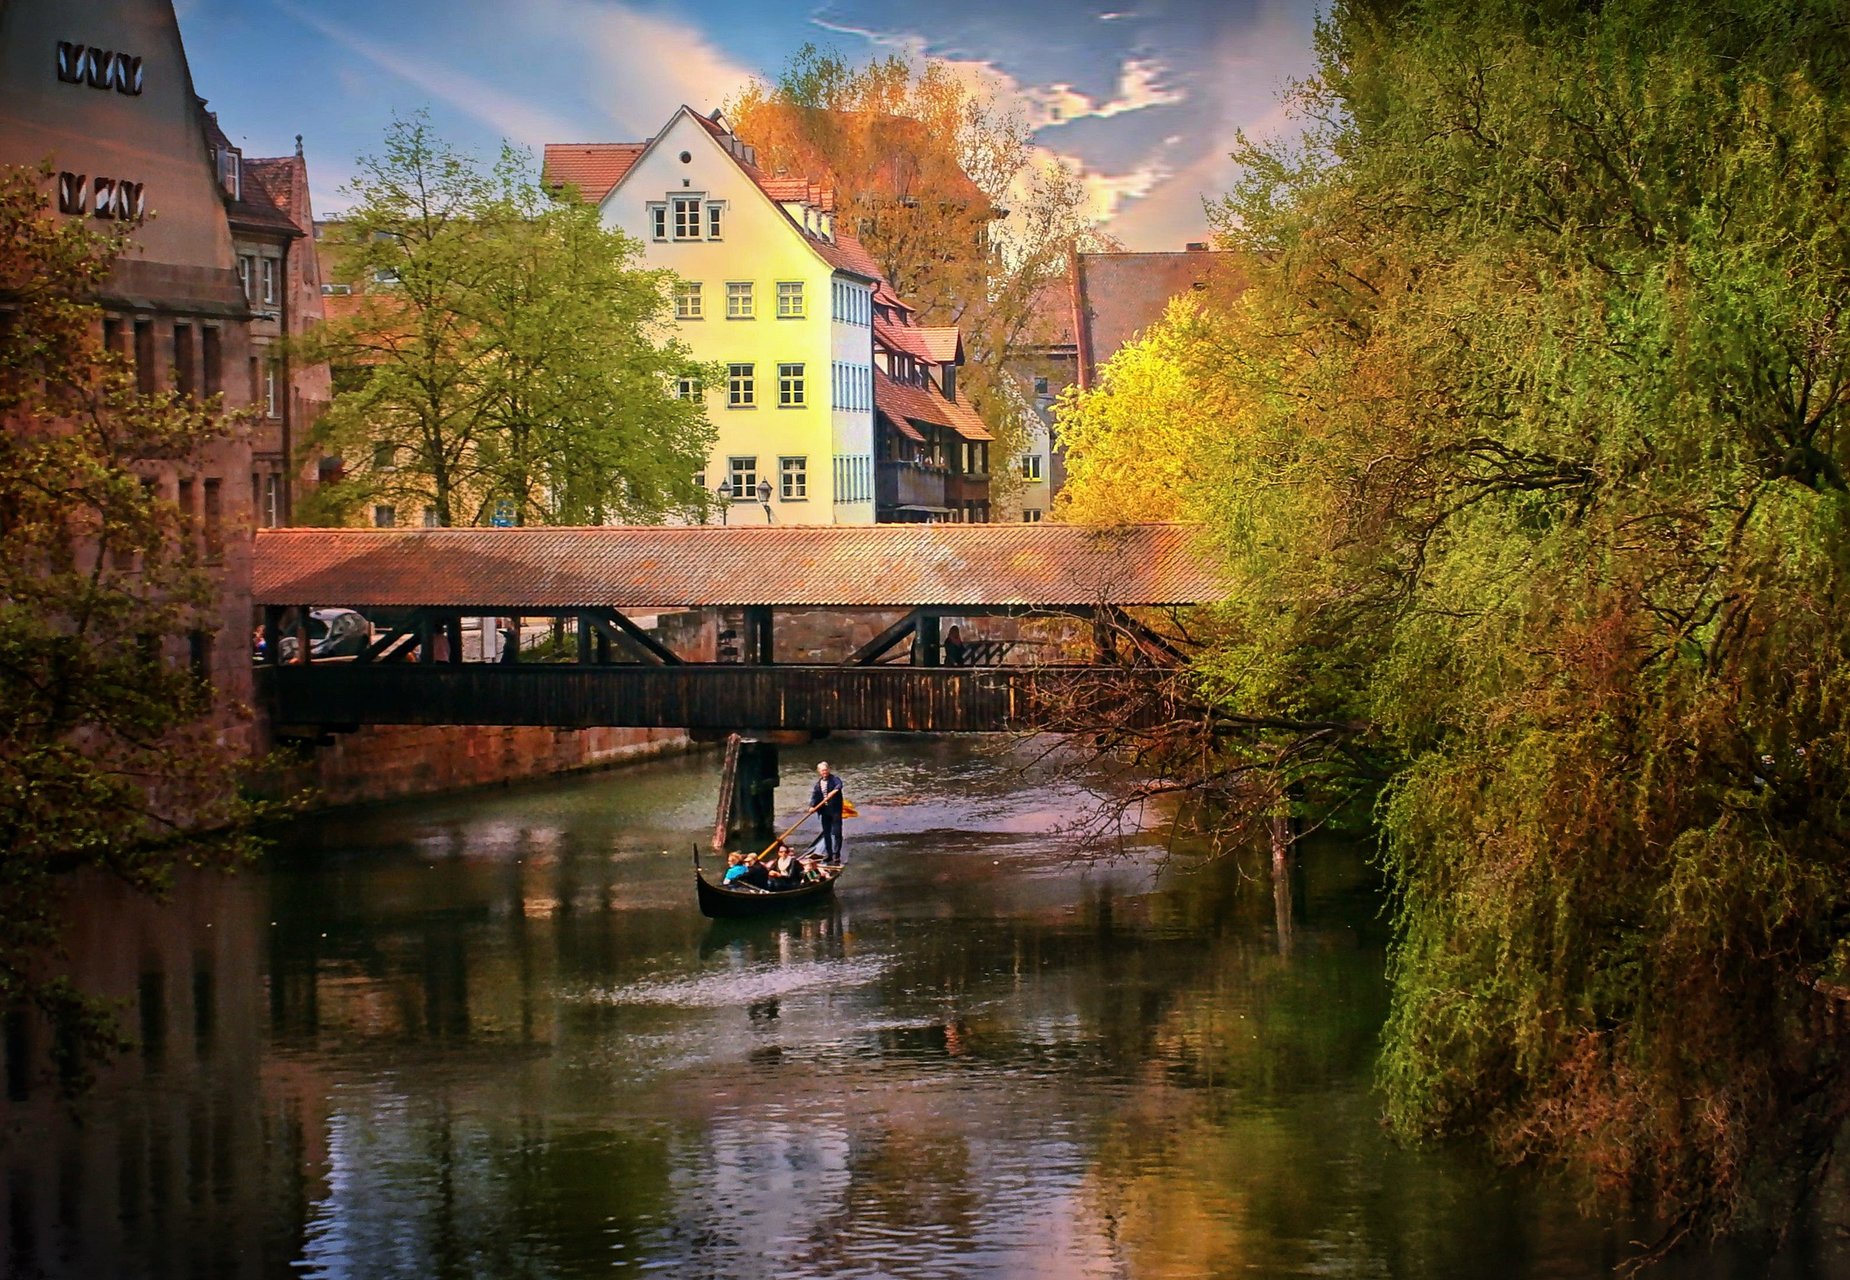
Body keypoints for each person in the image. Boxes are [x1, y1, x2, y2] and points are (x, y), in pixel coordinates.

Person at [811, 761, 845, 864]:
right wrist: (812, 806)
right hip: (824, 812)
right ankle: (829, 854)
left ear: (828, 770)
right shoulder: (818, 784)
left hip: (835, 811)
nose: (824, 772)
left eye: (826, 770)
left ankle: (836, 854)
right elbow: (815, 796)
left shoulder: (834, 779)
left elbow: (839, 785)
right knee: (826, 833)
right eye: (822, 771)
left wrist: (833, 792)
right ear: (819, 772)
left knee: (837, 832)